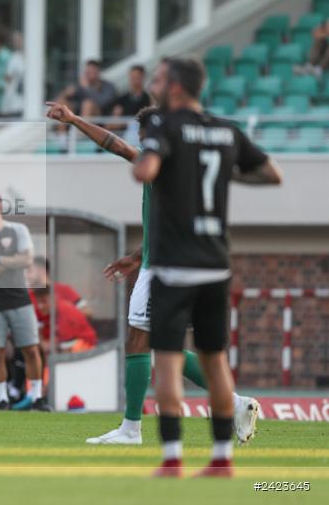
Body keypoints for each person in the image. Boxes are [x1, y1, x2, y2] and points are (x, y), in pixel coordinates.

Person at [45, 97, 263, 446]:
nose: (143, 145)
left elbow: (115, 146)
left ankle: (133, 429)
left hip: (164, 267)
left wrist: (73, 120)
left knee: (139, 341)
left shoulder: (164, 162)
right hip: (169, 262)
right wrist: (136, 255)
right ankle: (234, 403)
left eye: (146, 137)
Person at [132, 57, 282, 478]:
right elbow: (273, 174)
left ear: (176, 87)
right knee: (216, 361)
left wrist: (149, 161)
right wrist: (225, 177)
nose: (154, 85)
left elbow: (145, 170)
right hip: (216, 265)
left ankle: (173, 458)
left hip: (173, 266)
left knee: (166, 361)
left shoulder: (165, 126)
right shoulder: (226, 129)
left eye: (159, 79)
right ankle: (221, 459)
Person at [0, 191, 48, 412]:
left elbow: (26, 259)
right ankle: (2, 399)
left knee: (30, 348)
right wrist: (9, 262)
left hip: (19, 299)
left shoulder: (18, 229)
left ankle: (36, 397)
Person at [31, 285, 97, 352]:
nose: (40, 306)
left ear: (53, 298)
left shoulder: (64, 312)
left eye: (44, 301)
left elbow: (67, 349)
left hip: (85, 344)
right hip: (63, 341)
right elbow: (38, 329)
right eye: (38, 302)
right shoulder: (49, 309)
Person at [2, 31, 25, 117]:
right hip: (14, 99)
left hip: (27, 100)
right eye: (15, 41)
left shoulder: (32, 56)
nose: (17, 43)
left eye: (18, 40)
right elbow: (8, 77)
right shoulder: (14, 57)